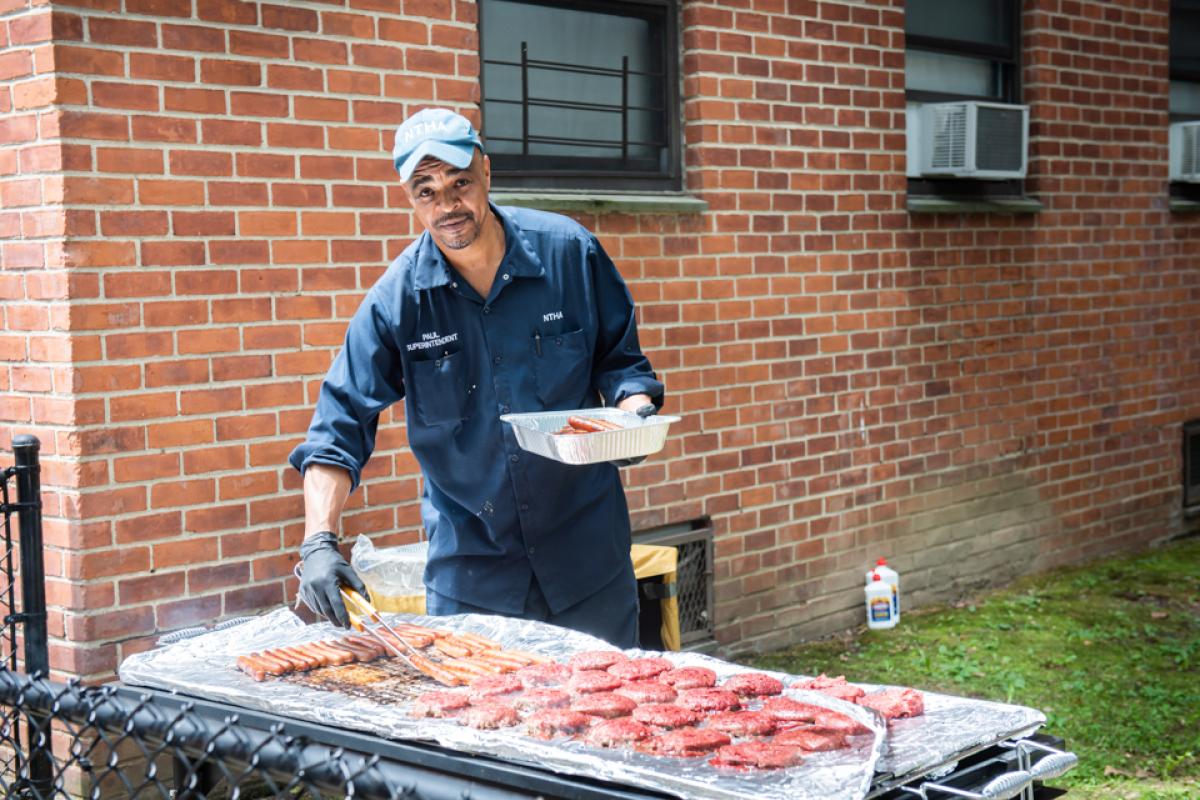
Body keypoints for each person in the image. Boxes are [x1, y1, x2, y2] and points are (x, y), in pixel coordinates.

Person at [289, 108, 664, 647]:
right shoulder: (397, 302)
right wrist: (318, 541)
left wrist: (631, 414)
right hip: (473, 579)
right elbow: (339, 425)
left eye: (459, 182)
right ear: (408, 197)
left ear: (486, 172)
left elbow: (622, 362)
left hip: (587, 564)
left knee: (605, 722)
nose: (446, 205)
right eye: (426, 190)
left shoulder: (569, 253)